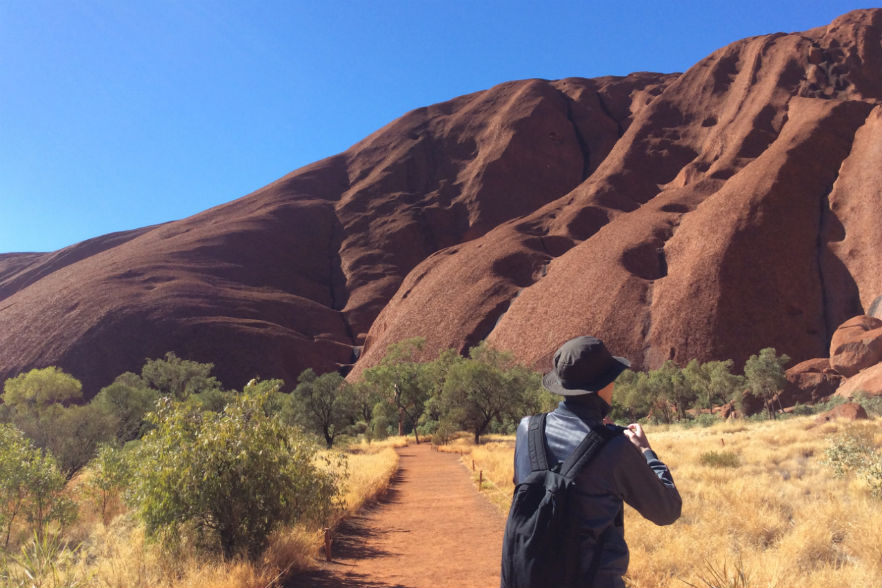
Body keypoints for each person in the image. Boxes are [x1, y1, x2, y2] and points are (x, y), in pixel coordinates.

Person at [511, 335, 682, 588]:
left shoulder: (527, 429)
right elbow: (667, 510)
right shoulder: (615, 447)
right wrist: (646, 451)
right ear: (603, 385)